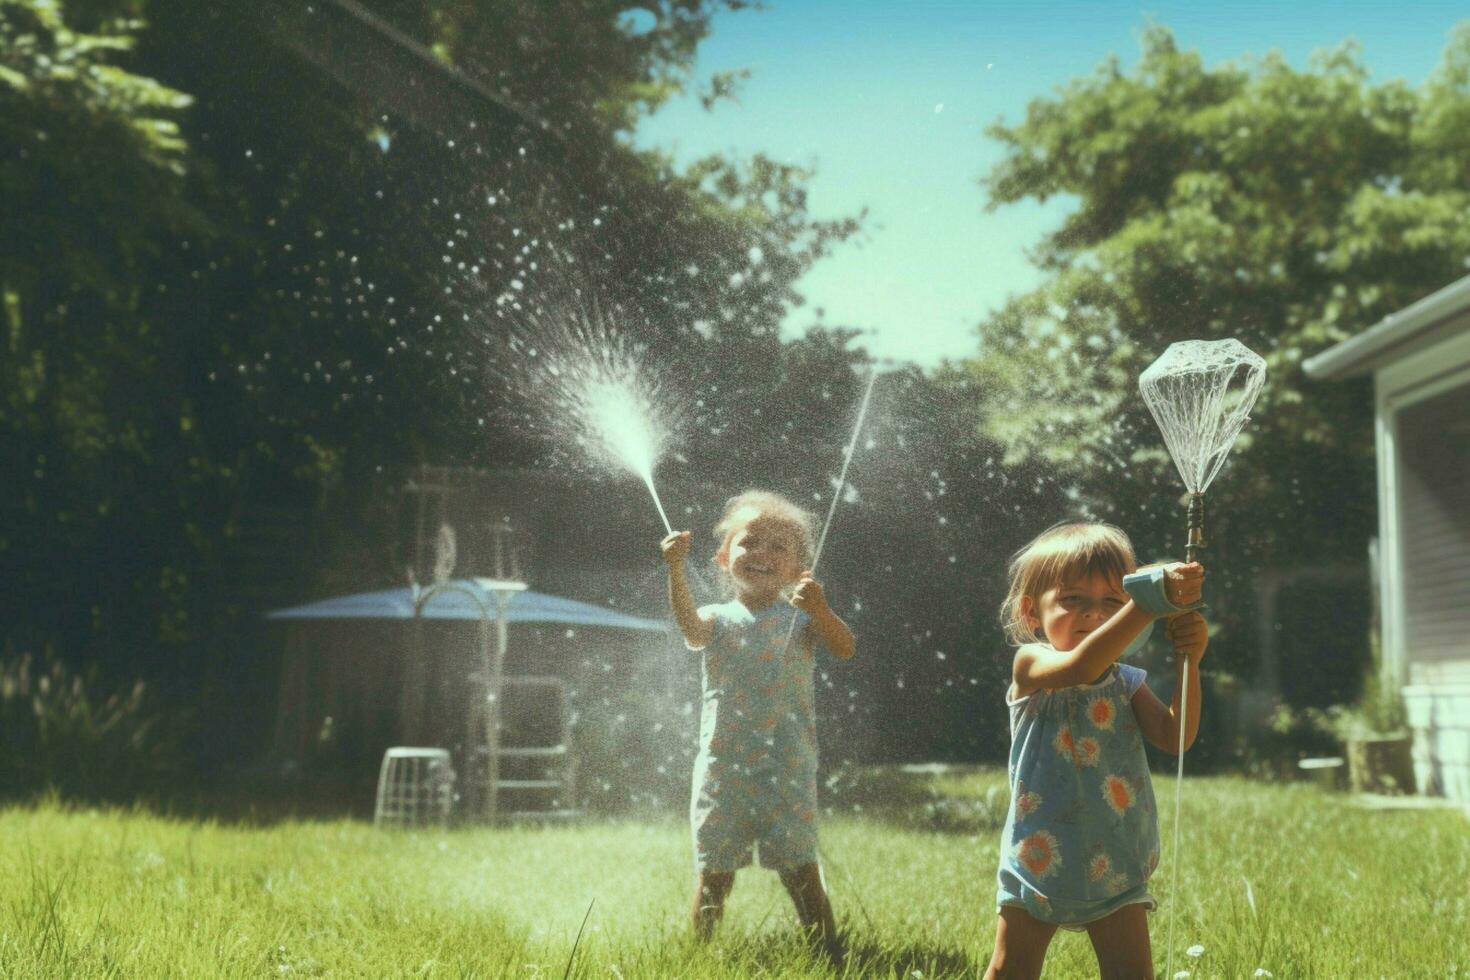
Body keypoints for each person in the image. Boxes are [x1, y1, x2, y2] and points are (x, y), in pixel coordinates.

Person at [984, 522, 1208, 980]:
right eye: (1074, 600)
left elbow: (1175, 737)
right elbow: (1082, 663)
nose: (1096, 615)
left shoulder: (1127, 682)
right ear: (1031, 612)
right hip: (1038, 860)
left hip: (1117, 858)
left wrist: (1191, 661)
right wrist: (1146, 603)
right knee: (1012, 970)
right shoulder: (1033, 663)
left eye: (1112, 602)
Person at [660, 490, 856, 959]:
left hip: (788, 765)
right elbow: (689, 629)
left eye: (778, 547)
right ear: (725, 558)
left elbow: (845, 647)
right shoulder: (717, 618)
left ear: (796, 570)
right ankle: (698, 957)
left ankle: (828, 955)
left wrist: (823, 610)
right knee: (714, 871)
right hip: (723, 768)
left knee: (801, 868)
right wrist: (674, 569)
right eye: (750, 543)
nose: (762, 554)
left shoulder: (802, 620)